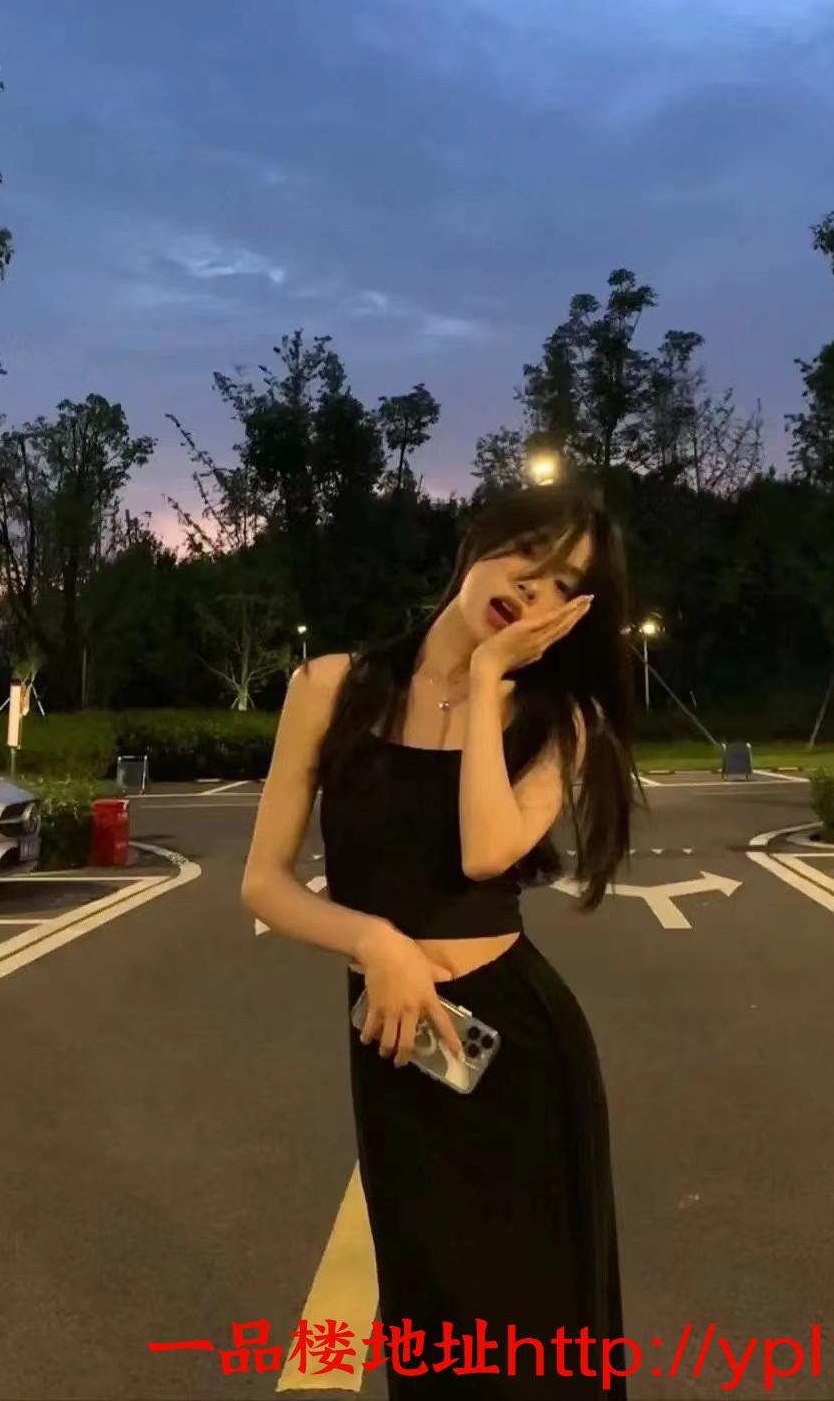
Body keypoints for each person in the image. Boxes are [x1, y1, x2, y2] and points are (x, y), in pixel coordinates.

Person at [242, 479, 646, 1398]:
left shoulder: (556, 720)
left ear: (574, 615)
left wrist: (487, 680)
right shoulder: (331, 687)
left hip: (518, 1048)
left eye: (561, 584)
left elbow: (485, 852)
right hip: (398, 1042)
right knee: (432, 1318)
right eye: (526, 555)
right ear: (478, 543)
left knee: (538, 1329)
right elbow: (263, 883)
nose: (531, 587)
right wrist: (376, 943)